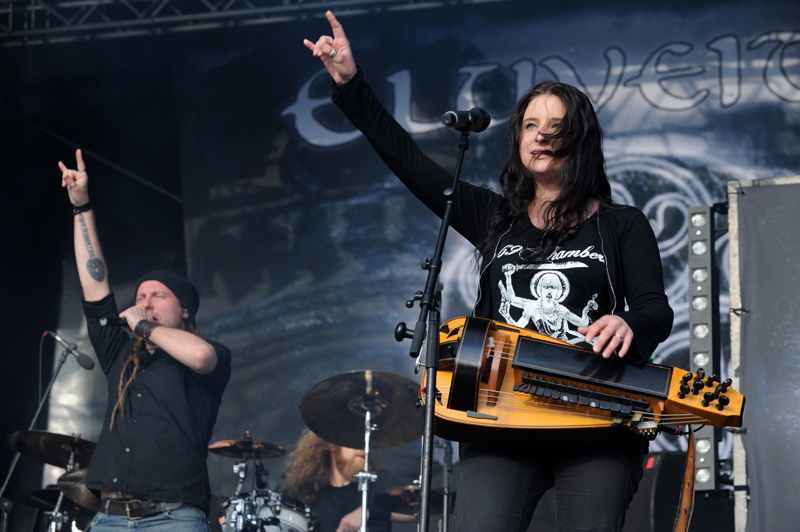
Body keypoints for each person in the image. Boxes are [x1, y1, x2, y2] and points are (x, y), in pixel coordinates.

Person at [303, 11, 674, 532]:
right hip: (500, 419)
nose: (541, 136)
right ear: (518, 140)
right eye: (530, 125)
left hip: (595, 421)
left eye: (556, 127)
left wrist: (630, 323)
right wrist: (350, 85)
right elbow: (409, 160)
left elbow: (656, 308)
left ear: (580, 139)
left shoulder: (621, 224)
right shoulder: (495, 218)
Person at [59, 149, 232, 531]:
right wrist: (81, 205)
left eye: (158, 296)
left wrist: (144, 326)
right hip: (109, 519)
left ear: (184, 310)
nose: (144, 302)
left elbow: (201, 356)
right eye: (140, 296)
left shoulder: (207, 356)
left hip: (174, 518)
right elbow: (94, 281)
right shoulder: (119, 351)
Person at [279, 428, 415, 532]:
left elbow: (415, 509)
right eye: (353, 441)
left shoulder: (378, 481)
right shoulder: (308, 493)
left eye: (364, 442)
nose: (361, 449)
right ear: (332, 445)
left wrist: (369, 511)